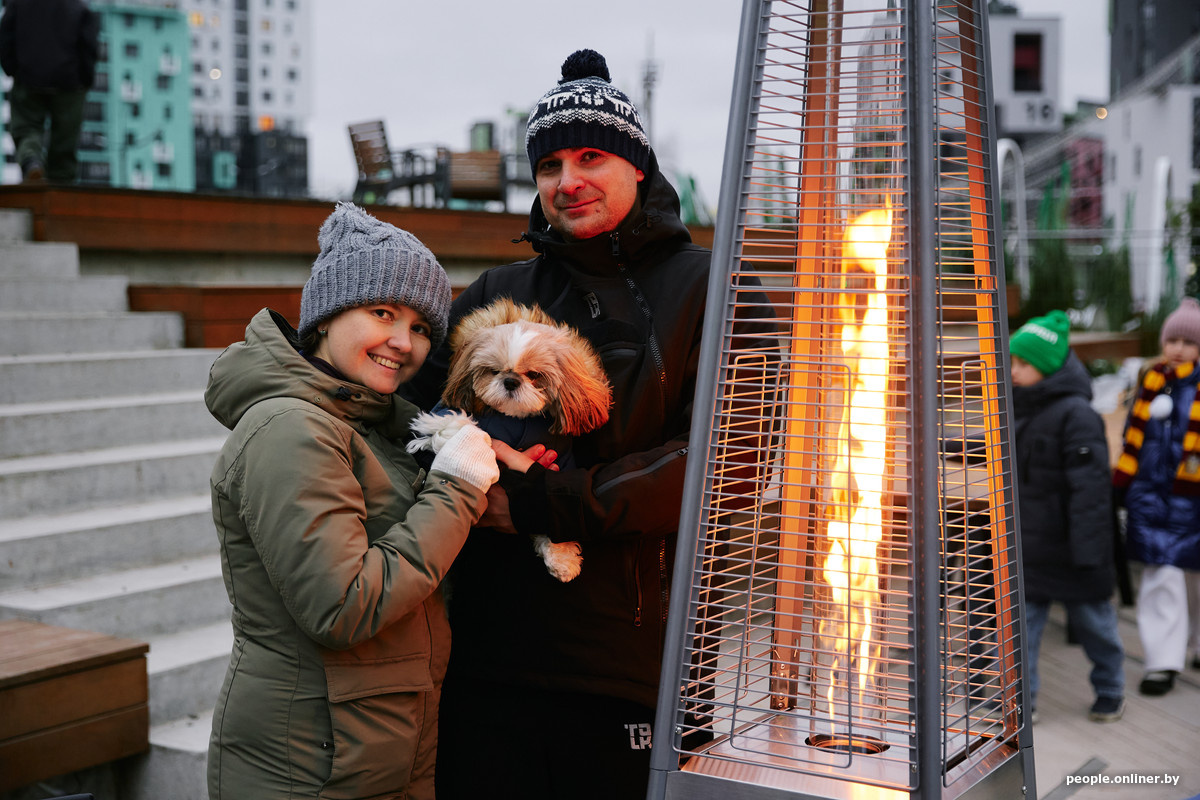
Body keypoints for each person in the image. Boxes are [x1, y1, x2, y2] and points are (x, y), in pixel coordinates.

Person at [401, 49, 769, 799]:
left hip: (636, 666)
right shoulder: (497, 293)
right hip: (488, 659)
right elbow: (418, 418)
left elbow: (732, 461)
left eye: (591, 156)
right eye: (549, 165)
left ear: (638, 167)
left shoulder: (716, 288)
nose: (567, 182)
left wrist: (541, 502)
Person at [204, 202, 524, 800]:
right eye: (383, 313)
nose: (403, 343)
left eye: (423, 328)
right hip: (307, 765)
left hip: (373, 749)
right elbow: (343, 605)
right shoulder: (290, 430)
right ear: (326, 316)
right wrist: (456, 486)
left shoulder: (380, 423)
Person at [1010, 310, 1126, 723]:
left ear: (1045, 366)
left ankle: (1110, 688)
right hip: (1032, 543)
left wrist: (1091, 551)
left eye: (1022, 363)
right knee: (1022, 631)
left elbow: (1092, 493)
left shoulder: (1078, 416)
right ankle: (1024, 700)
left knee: (1096, 625)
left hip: (1075, 547)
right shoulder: (1018, 407)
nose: (1014, 370)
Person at [1113, 297, 1200, 696]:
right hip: (1151, 494)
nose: (1178, 348)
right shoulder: (1149, 382)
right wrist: (1125, 482)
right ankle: (1162, 661)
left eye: (1189, 341)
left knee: (1193, 578)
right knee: (1160, 573)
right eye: (1173, 339)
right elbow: (1132, 437)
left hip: (1192, 496)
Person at [0, 0, 99, 183]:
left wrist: (12, 69)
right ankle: (62, 186)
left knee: (26, 127)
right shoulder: (79, 7)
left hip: (29, 77)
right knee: (65, 138)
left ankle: (32, 162)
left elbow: (5, 36)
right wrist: (85, 79)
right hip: (69, 82)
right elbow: (89, 46)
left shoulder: (19, 4)